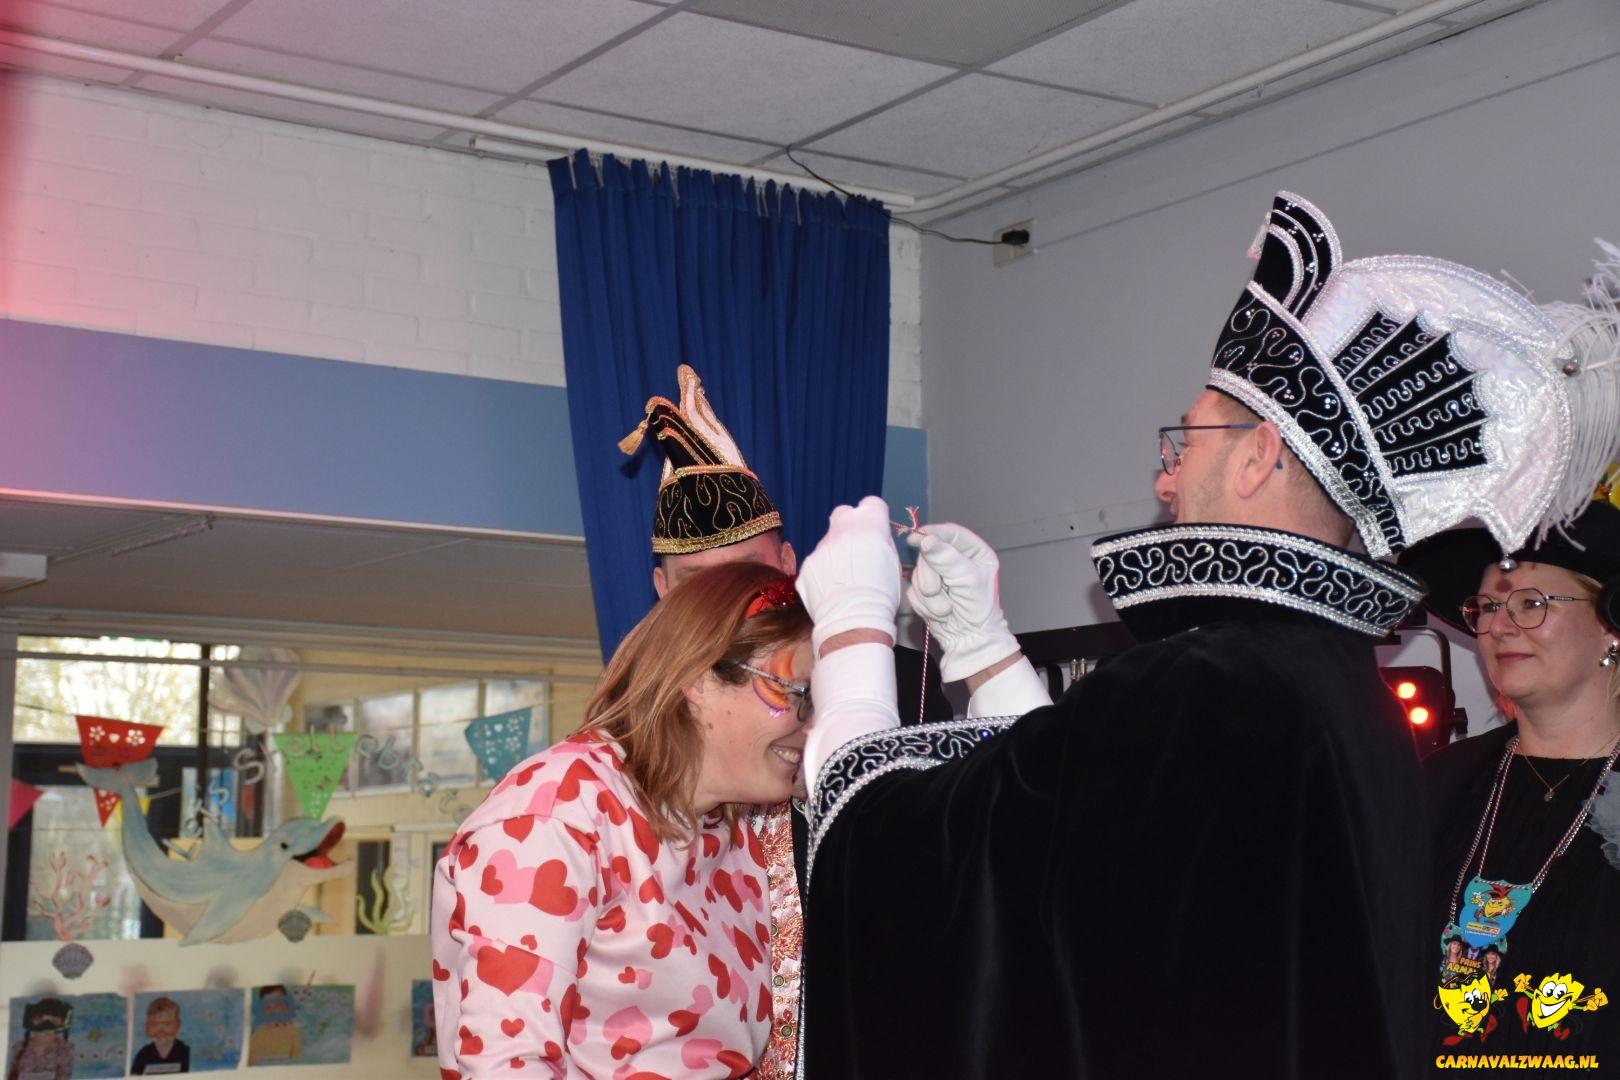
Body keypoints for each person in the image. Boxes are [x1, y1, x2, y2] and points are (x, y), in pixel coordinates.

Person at [791, 191, 1607, 1078]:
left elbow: (905, 878)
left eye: (1185, 443)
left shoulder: (1210, 683)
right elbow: (1083, 853)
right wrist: (986, 652)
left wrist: (852, 633)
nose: (1166, 478)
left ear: (1259, 456)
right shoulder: (1332, 695)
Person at [618, 363, 964, 1077]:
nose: (728, 607)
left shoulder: (894, 677)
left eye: (750, 575)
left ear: (789, 562)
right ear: (660, 592)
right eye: (697, 586)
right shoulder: (634, 730)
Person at [431, 560, 813, 1077]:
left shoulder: (732, 834)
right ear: (696, 676)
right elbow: (506, 1064)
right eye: (794, 692)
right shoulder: (557, 813)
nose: (809, 723)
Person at [1404, 444, 1620, 1061]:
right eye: (1488, 607)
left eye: (1531, 603)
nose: (1499, 626)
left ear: (1610, 627)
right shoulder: (1437, 785)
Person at [5, 998, 72, 1080]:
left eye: (54, 1020)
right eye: (41, 1019)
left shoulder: (66, 1049)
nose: (47, 1025)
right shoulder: (19, 1047)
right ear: (32, 1020)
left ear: (62, 1022)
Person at [130, 996, 190, 1074]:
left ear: (177, 1025)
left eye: (167, 1024)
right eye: (155, 1025)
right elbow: (134, 1076)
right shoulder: (144, 1054)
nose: (161, 1031)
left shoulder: (184, 1052)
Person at [246, 985, 300, 1065]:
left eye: (278, 1005)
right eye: (268, 1007)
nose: (274, 1010)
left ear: (287, 1006)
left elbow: (297, 1060)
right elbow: (249, 1061)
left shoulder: (293, 1032)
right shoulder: (258, 1033)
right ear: (263, 1011)